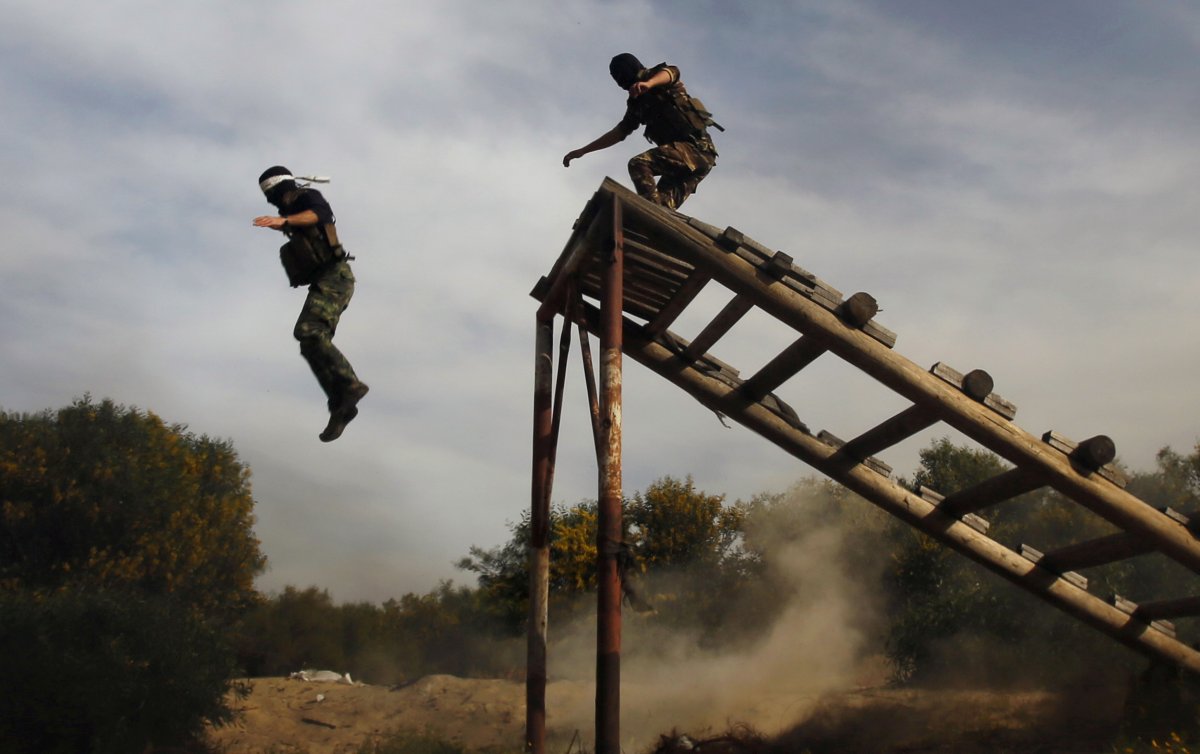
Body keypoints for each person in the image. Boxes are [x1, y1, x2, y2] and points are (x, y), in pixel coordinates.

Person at [253, 166, 368, 442]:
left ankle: (350, 384)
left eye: (272, 195)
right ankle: (341, 404)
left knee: (308, 330)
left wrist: (283, 222)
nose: (271, 202)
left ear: (280, 189)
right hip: (325, 279)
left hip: (336, 276)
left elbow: (319, 216)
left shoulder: (308, 198)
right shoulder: (290, 211)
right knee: (308, 341)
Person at [563, 53, 720, 210]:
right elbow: (619, 133)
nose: (619, 81)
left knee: (639, 164)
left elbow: (671, 73)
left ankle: (653, 214)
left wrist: (649, 83)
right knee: (663, 208)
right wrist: (583, 151)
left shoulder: (656, 76)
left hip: (697, 149)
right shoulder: (636, 104)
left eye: (620, 74)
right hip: (689, 161)